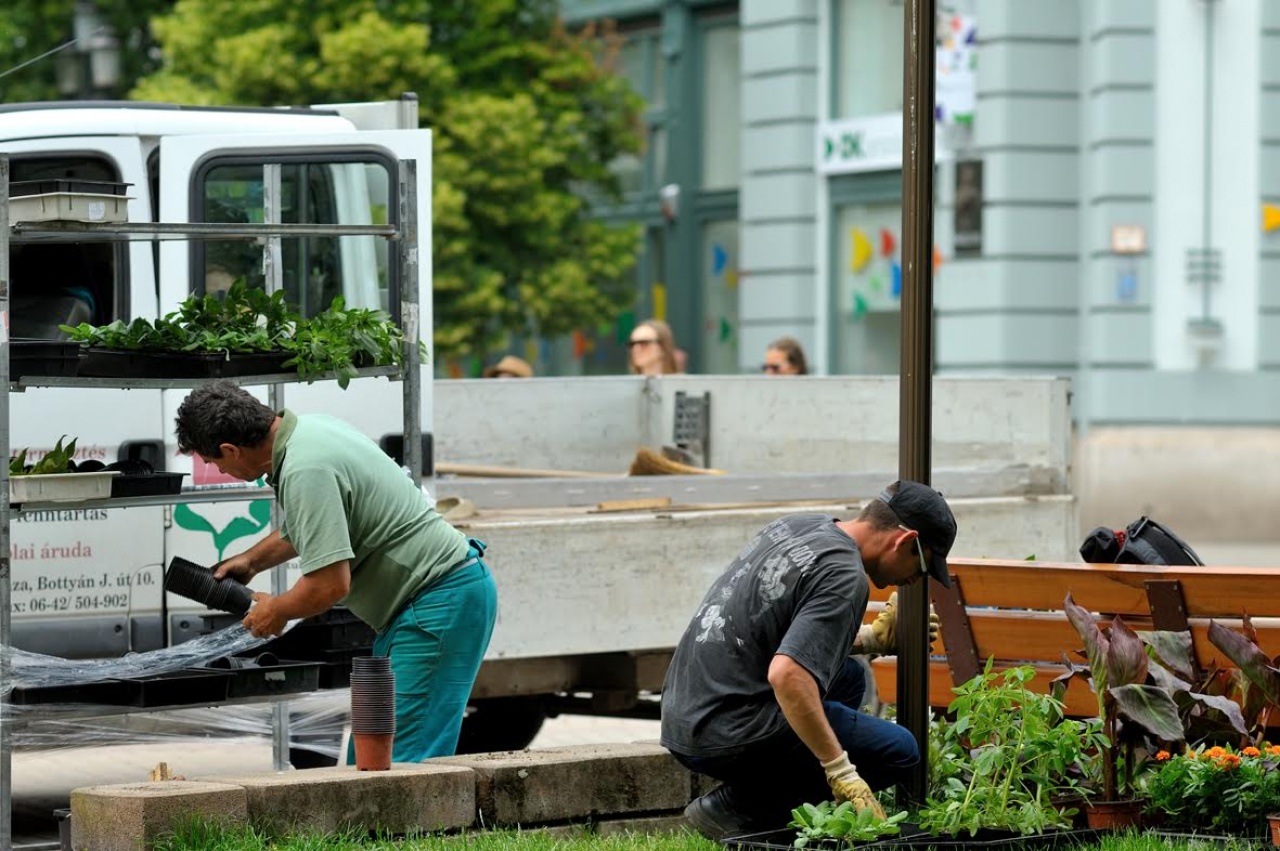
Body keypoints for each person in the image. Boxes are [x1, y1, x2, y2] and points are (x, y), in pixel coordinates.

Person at [174, 380, 498, 763]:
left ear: (230, 449)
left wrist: (275, 612)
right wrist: (252, 560)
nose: (220, 471)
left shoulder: (305, 467)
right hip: (430, 602)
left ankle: (404, 827)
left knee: (397, 762)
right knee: (372, 754)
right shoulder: (312, 432)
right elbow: (317, 525)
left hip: (436, 605)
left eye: (215, 463)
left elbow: (329, 584)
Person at [661, 480, 957, 840]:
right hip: (723, 729)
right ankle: (737, 807)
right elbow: (787, 674)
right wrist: (840, 771)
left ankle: (765, 794)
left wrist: (871, 639)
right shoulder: (846, 576)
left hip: (687, 710)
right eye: (922, 567)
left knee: (848, 678)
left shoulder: (799, 526)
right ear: (905, 541)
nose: (914, 580)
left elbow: (772, 633)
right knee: (899, 751)